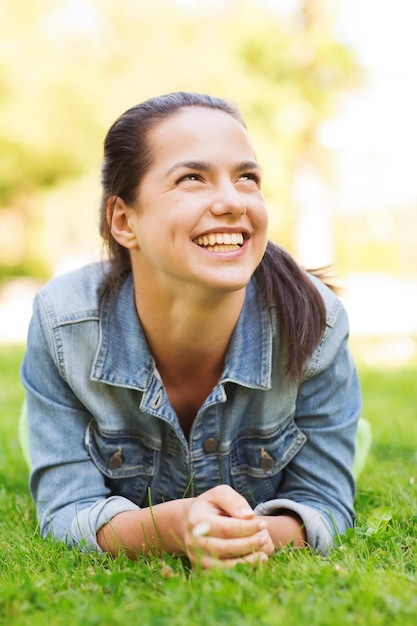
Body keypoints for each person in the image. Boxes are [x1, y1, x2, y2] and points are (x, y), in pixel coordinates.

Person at [21, 91, 362, 570]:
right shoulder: (64, 325)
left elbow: (325, 500)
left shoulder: (315, 322)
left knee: (350, 443)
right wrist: (176, 526)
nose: (231, 201)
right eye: (192, 178)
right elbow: (66, 509)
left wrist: (239, 536)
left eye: (247, 177)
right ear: (124, 221)